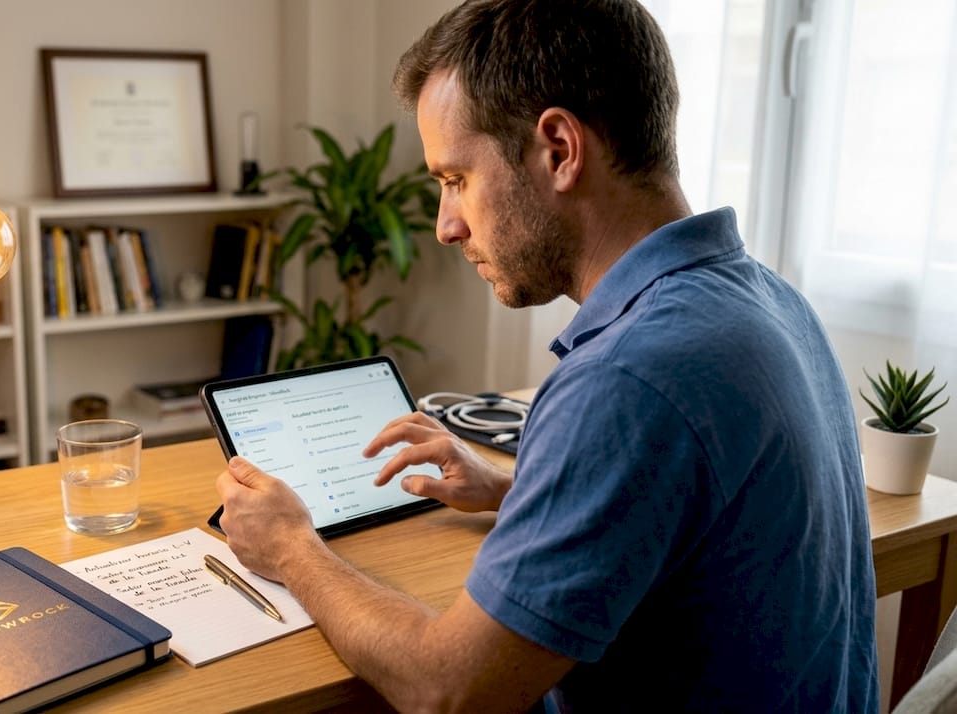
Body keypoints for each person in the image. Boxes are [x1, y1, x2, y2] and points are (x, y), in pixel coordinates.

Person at [215, 0, 879, 710]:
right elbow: (685, 522)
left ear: (559, 150)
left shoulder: (628, 378)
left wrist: (292, 548)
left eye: (455, 180)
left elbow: (447, 691)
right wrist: (515, 490)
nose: (445, 226)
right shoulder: (767, 301)